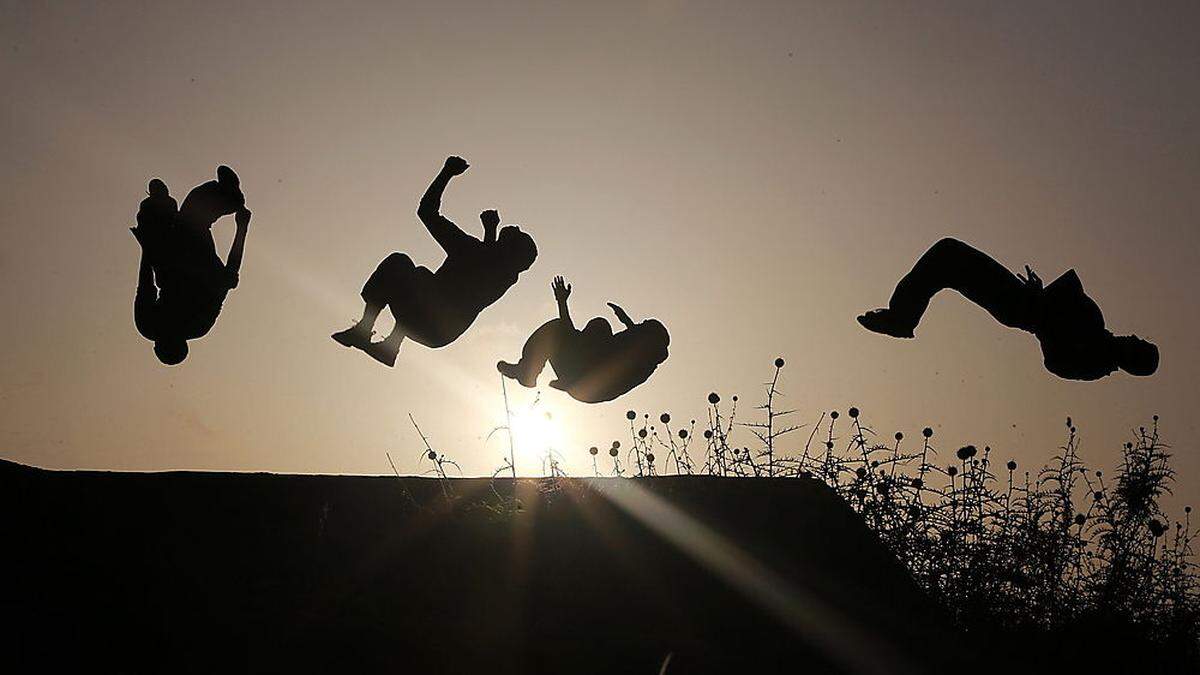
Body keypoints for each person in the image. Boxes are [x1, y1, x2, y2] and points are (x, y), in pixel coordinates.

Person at [331, 156, 538, 366]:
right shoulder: (488, 262)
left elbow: (429, 214)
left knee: (401, 265)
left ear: (511, 251)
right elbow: (485, 264)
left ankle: (366, 330)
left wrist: (446, 173)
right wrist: (490, 233)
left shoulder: (481, 259)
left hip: (432, 320)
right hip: (436, 329)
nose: (516, 228)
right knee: (422, 279)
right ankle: (390, 347)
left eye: (518, 234)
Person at [857, 237, 1158, 380]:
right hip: (1021, 302)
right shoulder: (1097, 336)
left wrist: (1043, 315)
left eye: (1139, 344)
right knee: (946, 261)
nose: (1134, 337)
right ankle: (902, 317)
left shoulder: (1093, 359)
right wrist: (1041, 299)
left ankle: (902, 319)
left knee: (948, 255)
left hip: (1017, 307)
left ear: (1132, 359)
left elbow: (1055, 363)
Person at [131, 166, 251, 365]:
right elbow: (228, 277)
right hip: (196, 266)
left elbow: (145, 283)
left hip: (174, 265)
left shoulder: (150, 325)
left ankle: (162, 207)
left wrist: (147, 246)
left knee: (177, 216)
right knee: (193, 214)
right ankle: (228, 198)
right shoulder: (194, 325)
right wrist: (241, 228)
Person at [497, 276, 670, 403]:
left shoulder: (638, 357)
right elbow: (571, 338)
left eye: (642, 324)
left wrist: (562, 302)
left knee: (598, 325)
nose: (638, 325)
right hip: (581, 378)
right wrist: (627, 321)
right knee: (558, 330)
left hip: (585, 379)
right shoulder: (637, 353)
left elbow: (572, 337)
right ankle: (527, 371)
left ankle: (528, 371)